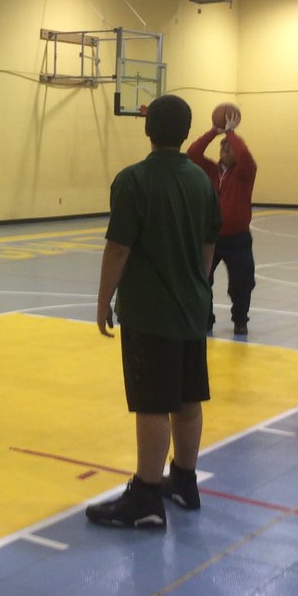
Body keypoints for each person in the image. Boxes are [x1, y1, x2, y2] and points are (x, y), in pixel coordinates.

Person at [87, 95, 220, 529]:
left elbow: (119, 246)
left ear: (148, 130)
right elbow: (207, 244)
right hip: (192, 306)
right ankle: (184, 480)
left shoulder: (134, 180)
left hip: (151, 310)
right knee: (187, 397)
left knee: (151, 403)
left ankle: (145, 496)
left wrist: (104, 298)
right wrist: (196, 285)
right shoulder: (202, 180)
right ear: (186, 132)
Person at [186, 109, 257, 335]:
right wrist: (214, 132)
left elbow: (244, 155)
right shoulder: (209, 170)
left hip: (238, 239)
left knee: (242, 283)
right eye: (222, 146)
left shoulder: (245, 172)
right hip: (209, 236)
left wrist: (231, 133)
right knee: (202, 280)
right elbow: (192, 153)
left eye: (229, 147)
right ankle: (205, 320)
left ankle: (240, 320)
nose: (225, 149)